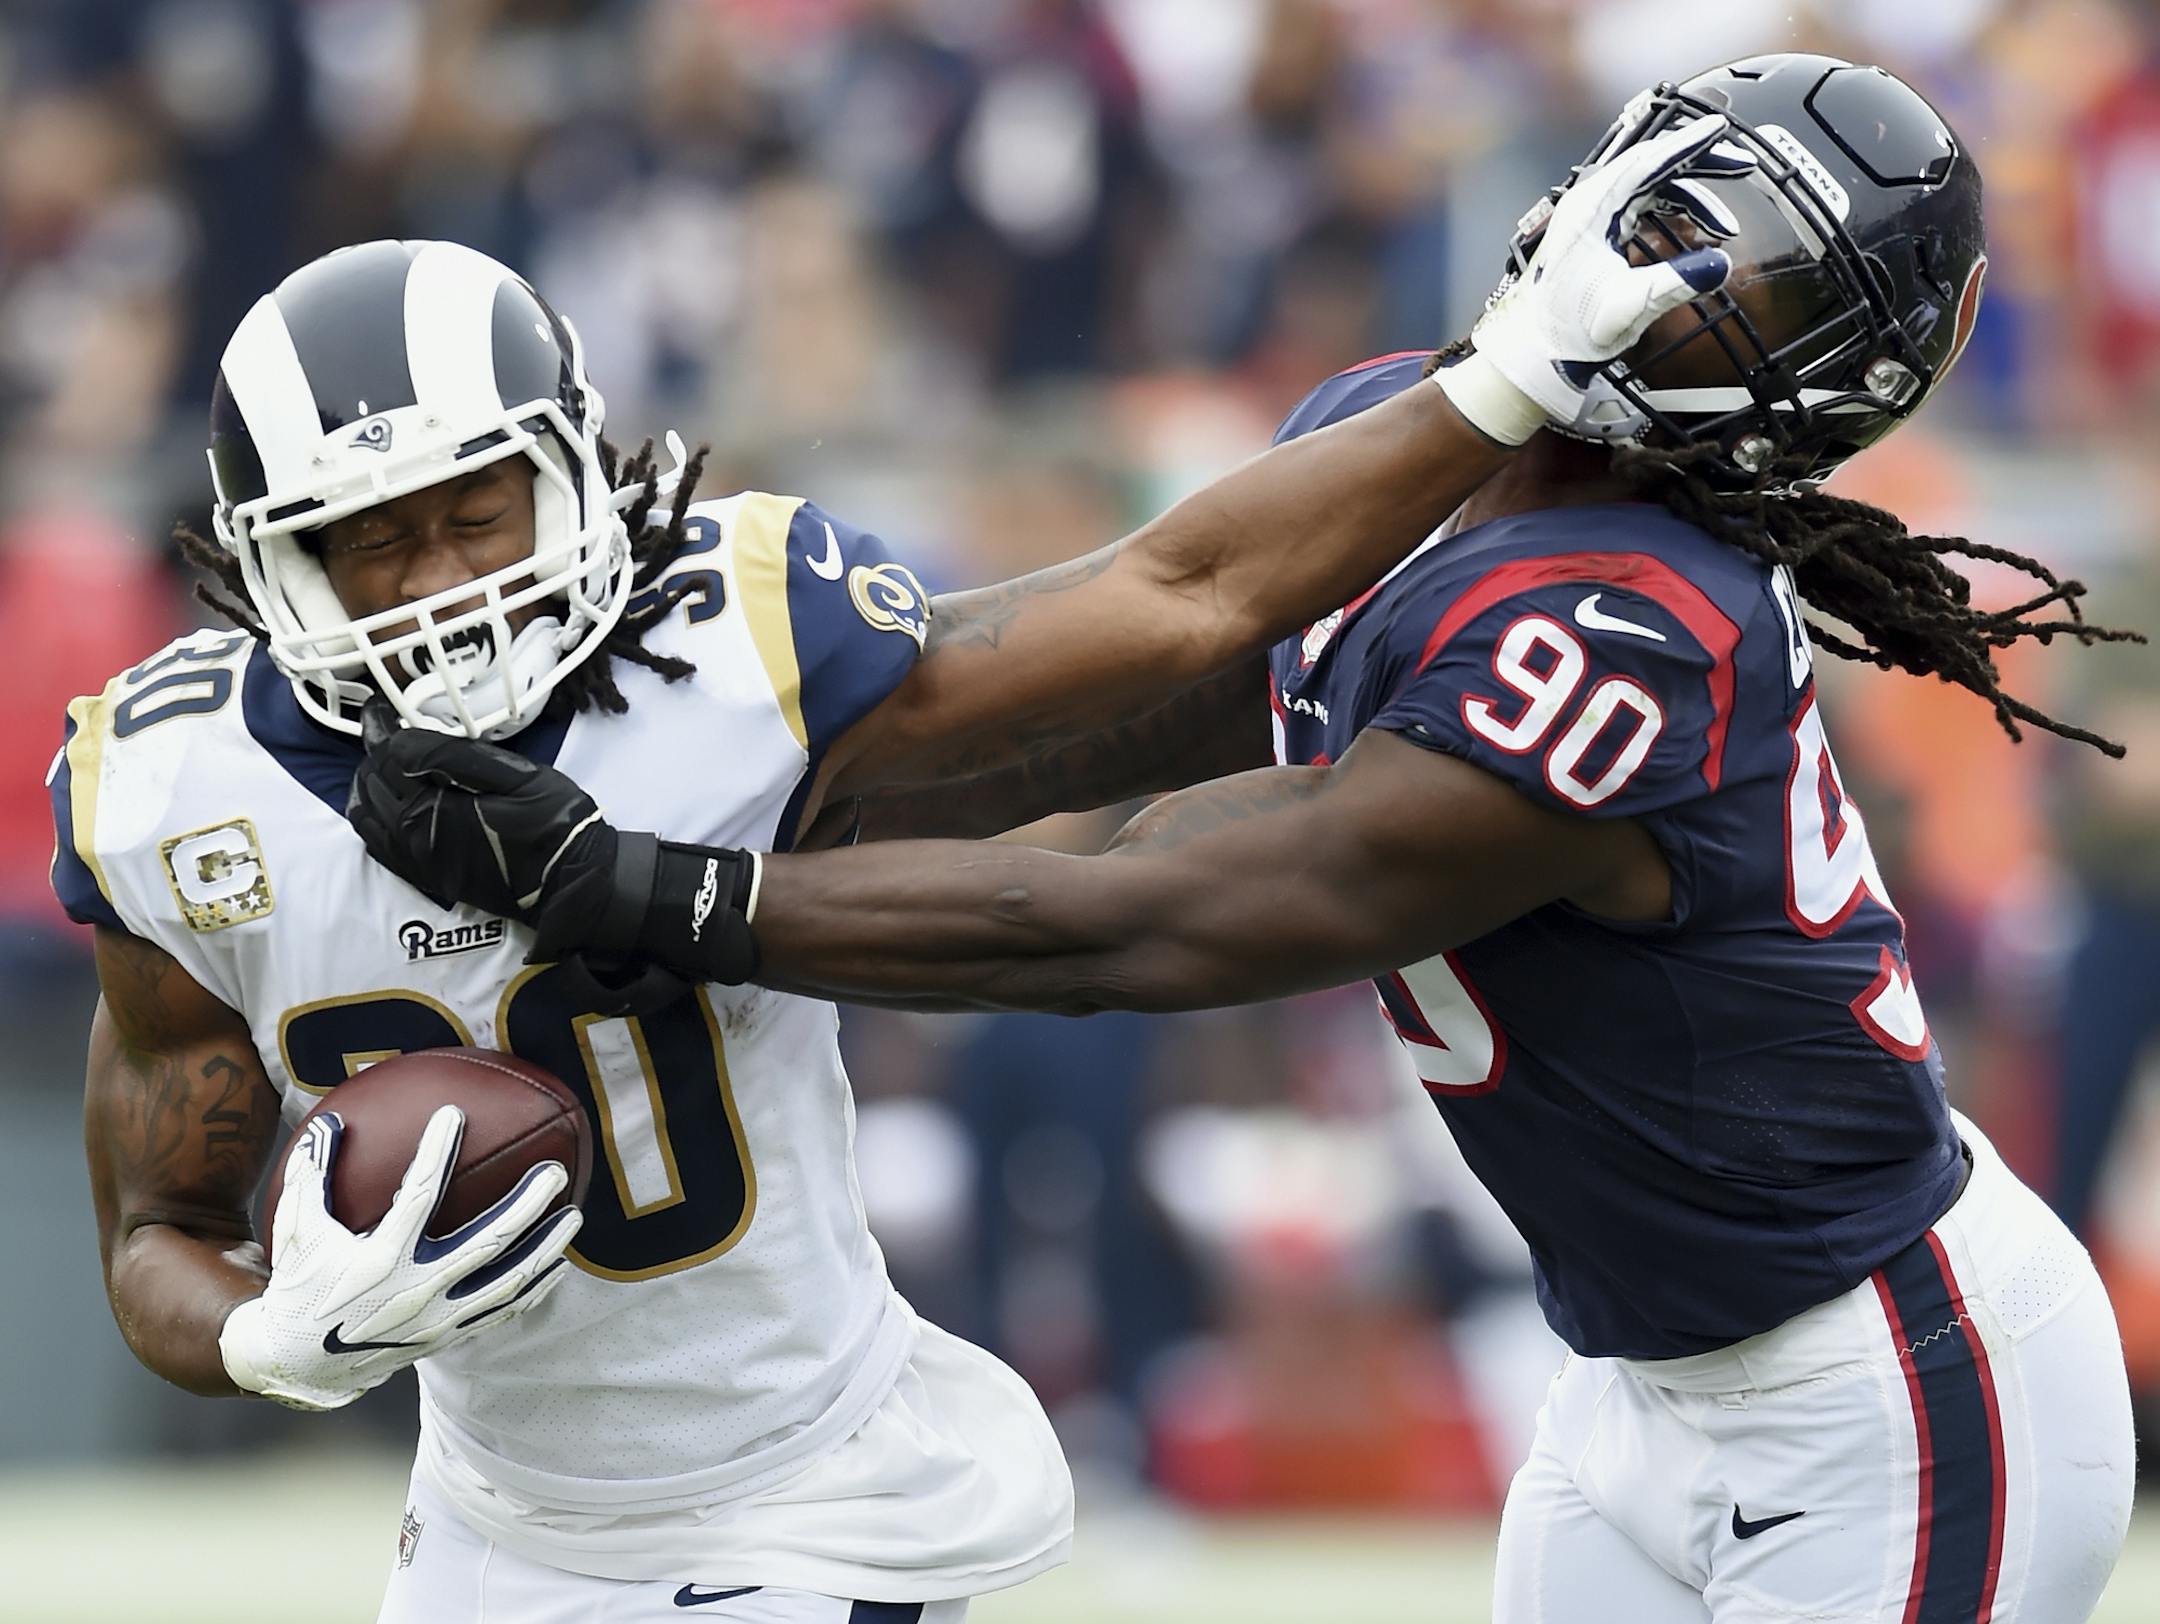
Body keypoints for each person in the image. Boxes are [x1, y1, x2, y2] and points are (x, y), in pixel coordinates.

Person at [361, 58, 2146, 1621]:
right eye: (1683, 222)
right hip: (1640, 1389)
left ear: (1826, 381)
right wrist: (762, 782)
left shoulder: (1632, 621)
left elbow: (1138, 920)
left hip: (1883, 1391)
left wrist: (667, 891)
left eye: (1756, 284)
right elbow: (1132, 709)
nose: (1679, 289)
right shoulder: (1396, 431)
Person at [47, 120, 1741, 1621]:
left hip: (806, 1489)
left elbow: (1179, 600)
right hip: (492, 1518)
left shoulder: (736, 641)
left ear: (576, 469)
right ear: (270, 574)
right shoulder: (173, 796)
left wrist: (1502, 382)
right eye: (373, 542)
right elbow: (156, 1231)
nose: (442, 580)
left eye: (478, 510)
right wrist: (264, 1337)